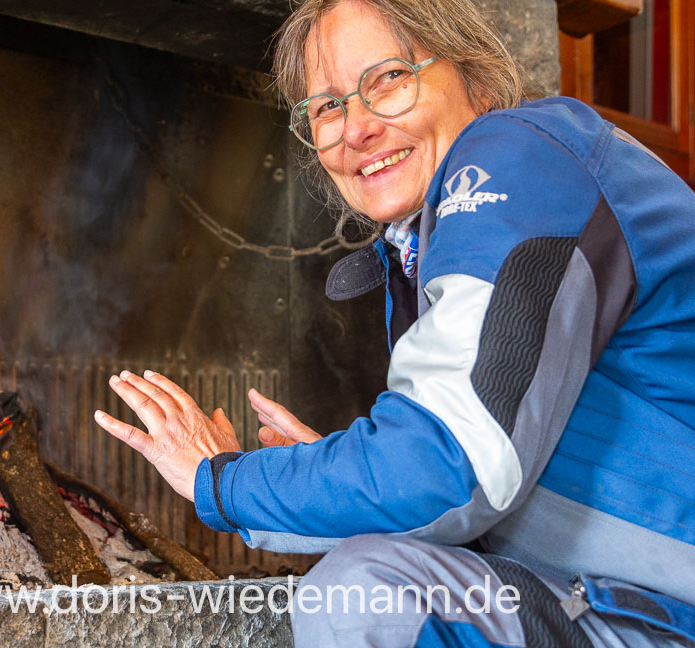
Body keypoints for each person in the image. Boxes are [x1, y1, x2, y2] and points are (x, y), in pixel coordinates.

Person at [93, 0, 695, 645]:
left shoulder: (520, 157)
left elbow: (450, 465)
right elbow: (469, 476)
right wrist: (338, 486)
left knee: (368, 594)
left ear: (477, 79)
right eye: (326, 107)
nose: (355, 128)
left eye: (387, 77)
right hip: (631, 600)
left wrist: (220, 479)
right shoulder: (432, 238)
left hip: (664, 606)